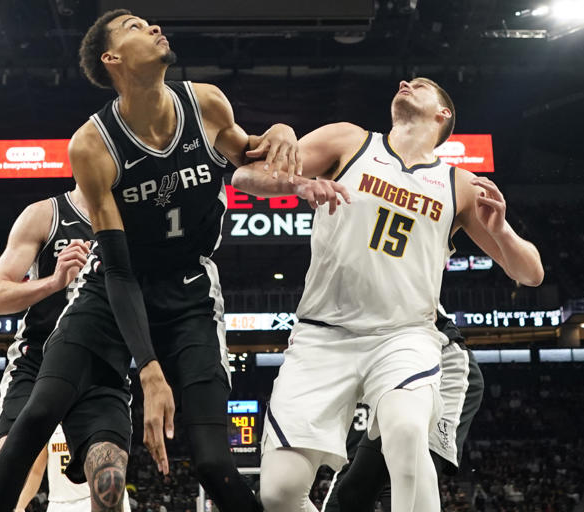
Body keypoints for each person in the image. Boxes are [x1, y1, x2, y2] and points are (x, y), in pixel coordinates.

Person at [0, 8, 301, 512]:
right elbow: (120, 268)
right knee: (35, 419)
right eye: (133, 26)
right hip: (113, 287)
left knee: (214, 463)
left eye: (150, 22)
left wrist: (282, 130)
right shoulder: (91, 144)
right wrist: (148, 370)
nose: (153, 26)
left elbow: (250, 157)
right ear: (113, 59)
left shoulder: (206, 103)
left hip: (188, 289)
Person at [232, 77, 543, 512]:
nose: (404, 83)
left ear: (443, 114)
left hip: (404, 335)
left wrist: (502, 231)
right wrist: (298, 185)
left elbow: (530, 273)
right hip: (323, 334)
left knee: (407, 434)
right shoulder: (348, 139)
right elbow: (246, 175)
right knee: (279, 492)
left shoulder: (461, 185)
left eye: (419, 84)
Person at [0, 189, 93, 512]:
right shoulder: (45, 214)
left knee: (102, 476)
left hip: (92, 364)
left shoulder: (127, 216)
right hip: (36, 358)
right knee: (15, 467)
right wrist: (53, 282)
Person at [320, 308, 485, 512]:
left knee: (409, 482)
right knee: (352, 493)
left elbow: (427, 313)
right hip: (394, 377)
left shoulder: (394, 282)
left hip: (440, 369)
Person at [47, 423, 131, 511]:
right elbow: (36, 472)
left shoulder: (100, 420)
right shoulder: (48, 426)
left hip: (94, 498)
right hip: (59, 502)